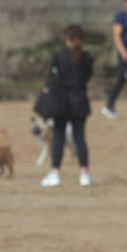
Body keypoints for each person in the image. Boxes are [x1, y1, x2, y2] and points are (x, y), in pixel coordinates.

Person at [41, 25, 94, 188]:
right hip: (79, 100)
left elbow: (52, 80)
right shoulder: (87, 57)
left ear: (66, 39)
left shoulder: (59, 57)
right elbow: (87, 78)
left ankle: (55, 172)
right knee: (80, 138)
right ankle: (84, 174)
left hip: (62, 101)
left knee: (58, 137)